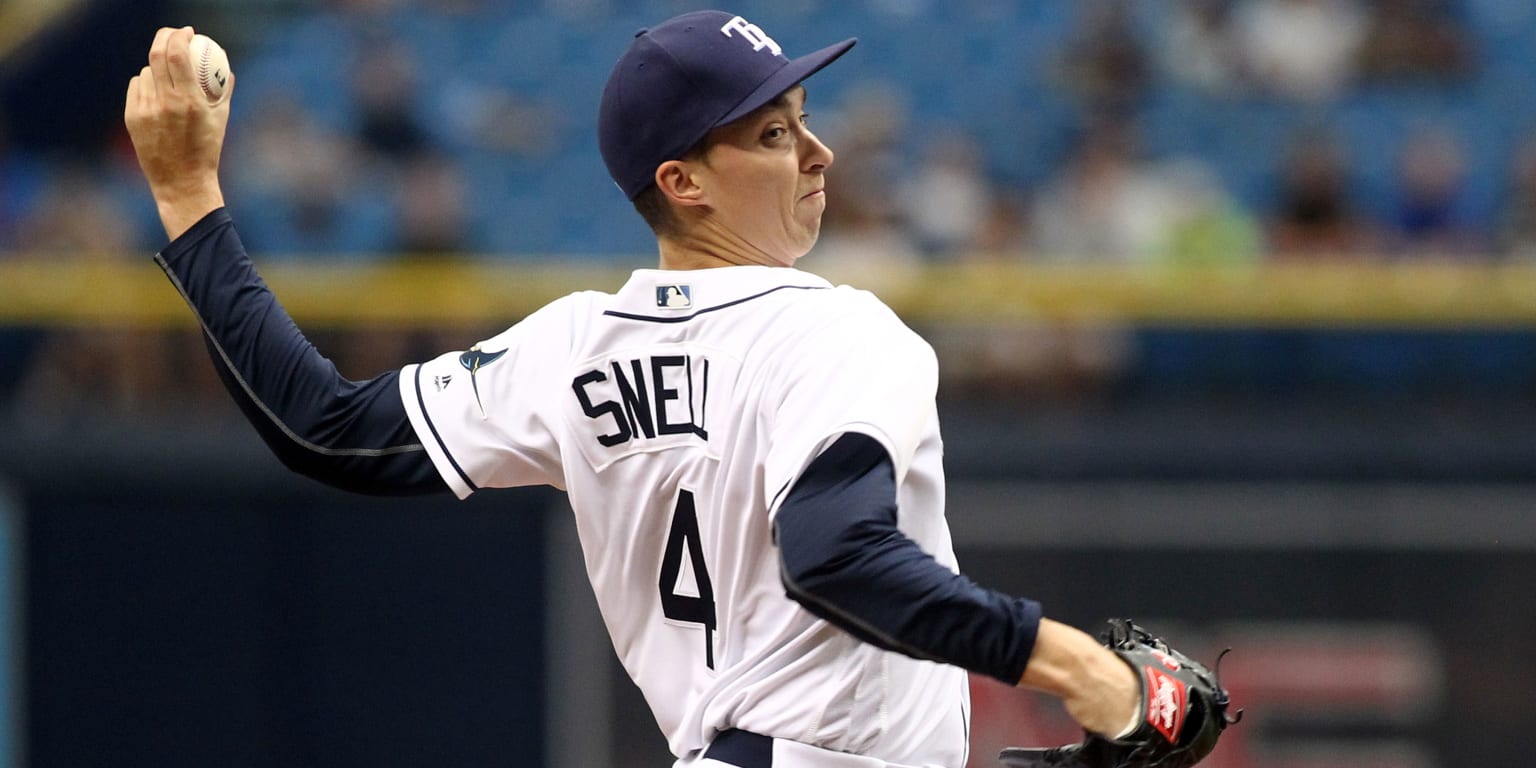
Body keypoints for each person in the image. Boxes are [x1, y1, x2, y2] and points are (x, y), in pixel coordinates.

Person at [124, 14, 1139, 768]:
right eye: (776, 134)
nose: (820, 151)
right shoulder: (841, 329)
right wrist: (1089, 675)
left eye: (803, 120)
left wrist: (187, 199)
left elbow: (327, 429)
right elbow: (839, 560)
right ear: (684, 181)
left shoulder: (574, 347)